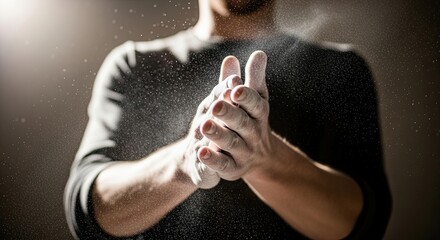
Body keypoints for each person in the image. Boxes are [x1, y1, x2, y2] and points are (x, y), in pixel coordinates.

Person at [64, 0, 392, 239]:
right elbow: (90, 210)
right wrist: (184, 163)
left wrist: (264, 160)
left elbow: (363, 222)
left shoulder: (340, 71)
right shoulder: (134, 65)